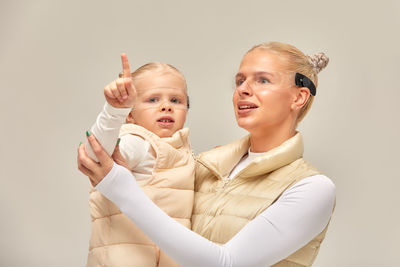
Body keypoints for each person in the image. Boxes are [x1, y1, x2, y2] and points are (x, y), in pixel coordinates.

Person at [78, 42, 336, 267]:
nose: (243, 89)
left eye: (262, 80)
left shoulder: (311, 189)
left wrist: (119, 187)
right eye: (239, 81)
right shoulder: (204, 166)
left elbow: (227, 263)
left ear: (299, 97)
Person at [83, 54, 195, 267]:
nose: (166, 106)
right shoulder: (137, 142)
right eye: (153, 99)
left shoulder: (181, 151)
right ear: (130, 115)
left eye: (176, 100)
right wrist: (114, 111)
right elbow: (97, 155)